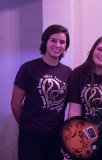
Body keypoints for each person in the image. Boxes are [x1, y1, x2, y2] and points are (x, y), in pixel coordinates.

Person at [11, 24, 72, 160]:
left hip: (56, 137)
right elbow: (15, 103)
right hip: (30, 136)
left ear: (66, 46)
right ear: (45, 42)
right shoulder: (28, 68)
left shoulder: (68, 73)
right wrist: (26, 127)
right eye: (53, 40)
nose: (57, 45)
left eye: (62, 42)